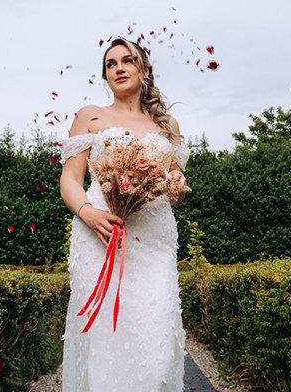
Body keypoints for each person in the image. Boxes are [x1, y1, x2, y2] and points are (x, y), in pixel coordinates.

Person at [59, 37, 190, 391]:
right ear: (105, 75)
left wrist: (173, 181)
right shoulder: (90, 116)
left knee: (157, 336)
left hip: (154, 239)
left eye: (127, 60)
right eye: (110, 63)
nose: (118, 68)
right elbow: (69, 180)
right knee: (104, 338)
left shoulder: (168, 126)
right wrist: (89, 214)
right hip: (100, 235)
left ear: (143, 69)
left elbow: (175, 189)